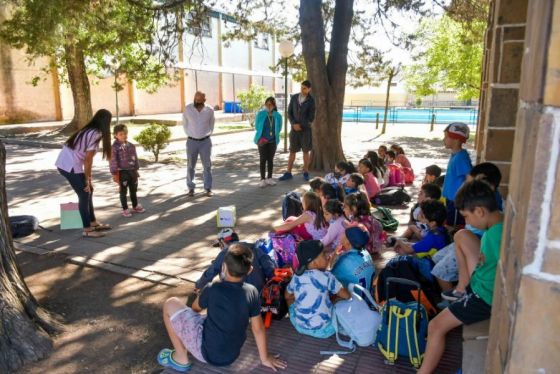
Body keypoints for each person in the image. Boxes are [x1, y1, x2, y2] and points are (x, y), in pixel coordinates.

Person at [417, 180, 503, 374]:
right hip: (481, 289)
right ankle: (461, 290)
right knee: (461, 235)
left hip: (483, 298)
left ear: (480, 211)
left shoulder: (493, 236)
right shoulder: (501, 225)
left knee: (435, 326)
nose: (467, 222)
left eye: (466, 216)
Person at [159, 244, 286, 372]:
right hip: (232, 355)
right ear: (249, 270)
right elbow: (258, 329)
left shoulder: (212, 288)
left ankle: (180, 357)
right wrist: (264, 359)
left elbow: (194, 309)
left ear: (223, 267)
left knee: (170, 303)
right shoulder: (252, 292)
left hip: (205, 353)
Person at [433, 162, 503, 300]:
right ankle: (461, 288)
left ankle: (462, 295)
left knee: (440, 271)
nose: (468, 188)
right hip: (474, 239)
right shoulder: (486, 204)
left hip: (476, 241)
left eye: (472, 185)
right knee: (440, 255)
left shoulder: (490, 211)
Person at [55, 109, 113, 238]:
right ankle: (87, 229)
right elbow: (88, 160)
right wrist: (87, 179)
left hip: (68, 163)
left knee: (88, 190)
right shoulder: (95, 133)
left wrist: (88, 180)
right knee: (84, 193)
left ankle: (93, 223)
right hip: (68, 166)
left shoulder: (88, 130)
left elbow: (86, 159)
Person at [285, 240, 350, 338]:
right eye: (324, 255)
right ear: (314, 262)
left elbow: (287, 296)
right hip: (325, 330)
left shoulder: (297, 276)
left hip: (300, 326)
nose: (327, 257)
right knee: (340, 300)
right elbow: (347, 295)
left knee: (291, 302)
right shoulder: (327, 277)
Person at [194, 229, 275, 293]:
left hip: (236, 296)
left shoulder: (225, 253)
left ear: (222, 243)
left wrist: (199, 285)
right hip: (258, 294)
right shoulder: (255, 249)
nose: (220, 248)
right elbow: (270, 267)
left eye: (220, 245)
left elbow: (211, 272)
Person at [279, 80, 316, 182]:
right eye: (301, 87)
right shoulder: (294, 97)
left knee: (305, 151)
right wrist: (293, 124)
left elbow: (311, 117)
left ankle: (306, 172)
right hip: (294, 129)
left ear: (309, 89)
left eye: (304, 88)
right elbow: (289, 112)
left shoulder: (311, 100)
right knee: (292, 151)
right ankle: (288, 173)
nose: (302, 89)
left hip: (305, 130)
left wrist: (302, 125)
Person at [183, 91, 215, 197]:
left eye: (199, 100)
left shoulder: (210, 110)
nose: (197, 101)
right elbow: (185, 124)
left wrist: (206, 134)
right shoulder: (188, 109)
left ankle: (208, 188)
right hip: (191, 141)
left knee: (207, 166)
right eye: (195, 99)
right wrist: (191, 134)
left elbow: (211, 124)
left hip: (205, 142)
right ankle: (191, 188)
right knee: (190, 166)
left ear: (204, 100)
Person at [109, 124, 145, 217]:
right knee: (123, 191)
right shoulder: (114, 147)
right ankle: (125, 209)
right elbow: (113, 161)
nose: (123, 136)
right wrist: (114, 173)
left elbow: (135, 158)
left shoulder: (131, 145)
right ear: (115, 135)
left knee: (133, 189)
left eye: (125, 133)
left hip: (132, 171)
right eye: (121, 134)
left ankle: (135, 205)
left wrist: (136, 169)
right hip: (122, 172)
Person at [442, 122, 472, 227]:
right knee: (449, 222)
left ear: (456, 139)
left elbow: (470, 179)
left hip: (456, 201)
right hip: (451, 199)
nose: (443, 140)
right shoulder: (455, 155)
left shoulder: (461, 158)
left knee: (453, 227)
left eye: (446, 137)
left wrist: (460, 195)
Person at [331, 225, 374, 291]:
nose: (341, 236)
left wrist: (333, 256)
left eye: (343, 235)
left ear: (348, 242)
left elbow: (328, 276)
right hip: (369, 296)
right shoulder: (366, 252)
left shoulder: (344, 260)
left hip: (355, 299)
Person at [254, 97, 282, 188]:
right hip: (262, 140)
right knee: (263, 159)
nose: (268, 106)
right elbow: (257, 126)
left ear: (274, 106)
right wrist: (262, 137)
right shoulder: (261, 114)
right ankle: (262, 179)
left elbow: (279, 128)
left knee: (270, 159)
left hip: (273, 141)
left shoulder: (277, 115)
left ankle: (269, 178)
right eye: (267, 104)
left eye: (270, 104)